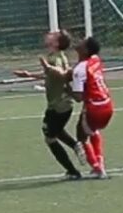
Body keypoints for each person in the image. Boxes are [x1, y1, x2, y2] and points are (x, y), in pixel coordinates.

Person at [14, 30, 82, 180]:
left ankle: (72, 171)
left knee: (50, 138)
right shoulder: (59, 56)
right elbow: (51, 76)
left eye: (54, 35)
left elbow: (59, 74)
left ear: (56, 43)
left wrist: (47, 67)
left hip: (58, 106)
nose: (49, 34)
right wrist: (30, 75)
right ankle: (75, 146)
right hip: (63, 105)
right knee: (55, 131)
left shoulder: (54, 59)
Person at [41, 36, 113, 179]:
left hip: (94, 106)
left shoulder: (79, 70)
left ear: (85, 50)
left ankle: (97, 168)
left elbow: (78, 97)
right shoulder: (95, 60)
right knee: (92, 131)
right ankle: (99, 164)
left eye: (82, 42)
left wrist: (66, 88)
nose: (78, 42)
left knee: (81, 137)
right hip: (107, 103)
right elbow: (69, 75)